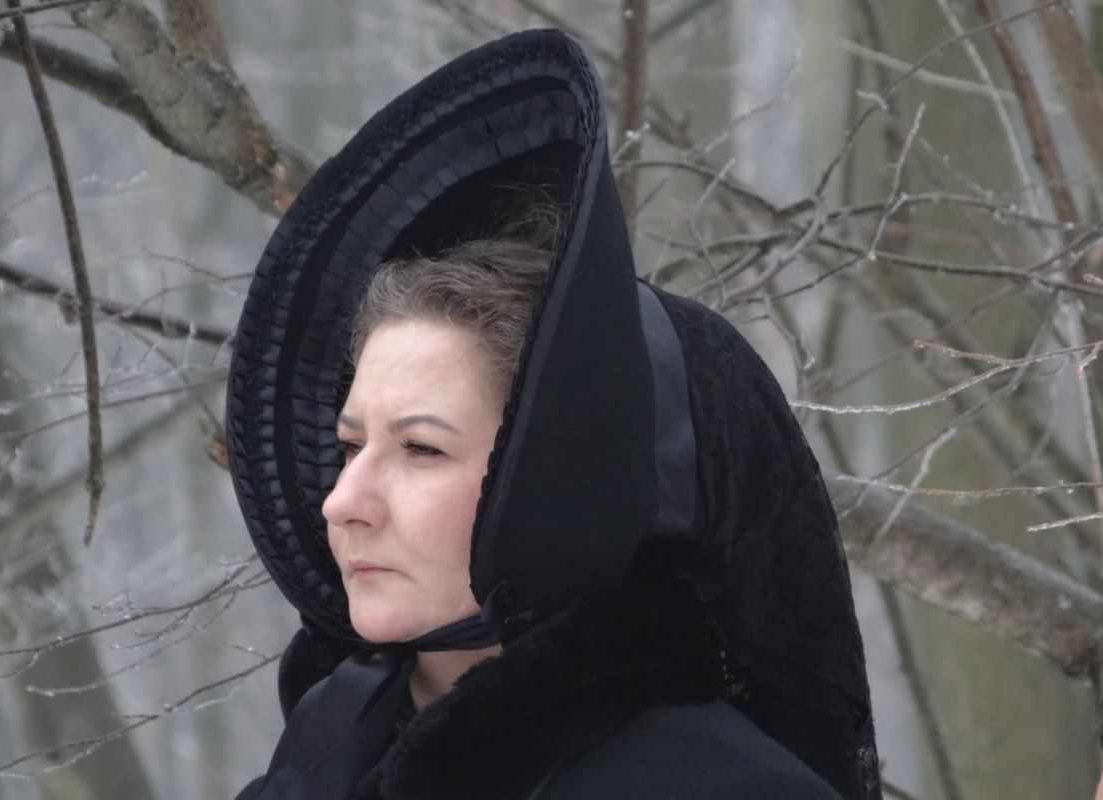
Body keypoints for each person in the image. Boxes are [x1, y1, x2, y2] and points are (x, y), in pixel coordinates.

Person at [225, 28, 881, 800]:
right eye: (349, 445)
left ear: (553, 483)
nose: (344, 502)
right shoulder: (326, 750)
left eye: (421, 449)